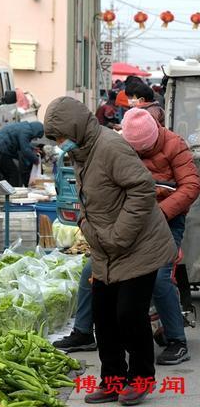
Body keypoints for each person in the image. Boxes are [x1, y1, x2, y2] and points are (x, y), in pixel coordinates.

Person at [44, 97, 176, 406]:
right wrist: (86, 221)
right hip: (106, 247)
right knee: (103, 318)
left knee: (129, 315)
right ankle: (113, 380)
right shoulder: (82, 151)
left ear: (75, 127)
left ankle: (140, 379)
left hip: (137, 246)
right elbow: (90, 195)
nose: (61, 144)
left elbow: (142, 188)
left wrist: (119, 235)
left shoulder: (110, 147)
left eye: (61, 136)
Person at [54, 108, 200, 366]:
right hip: (126, 222)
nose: (140, 155)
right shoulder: (116, 145)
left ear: (156, 136)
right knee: (92, 272)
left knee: (159, 277)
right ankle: (84, 332)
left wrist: (162, 212)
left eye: (146, 150)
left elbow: (191, 185)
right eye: (136, 151)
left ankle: (177, 340)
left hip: (164, 221)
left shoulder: (175, 145)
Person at [0, 121, 44, 187]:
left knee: (9, 175)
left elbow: (23, 142)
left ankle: (7, 194)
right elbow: (25, 149)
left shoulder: (25, 127)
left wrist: (32, 148)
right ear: (36, 131)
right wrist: (36, 160)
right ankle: (12, 195)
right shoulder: (26, 132)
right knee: (13, 174)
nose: (35, 138)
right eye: (36, 136)